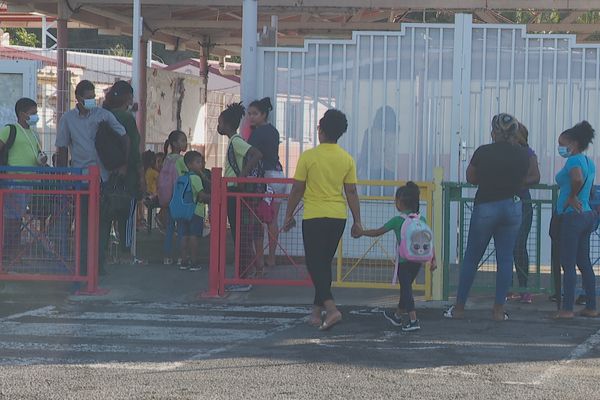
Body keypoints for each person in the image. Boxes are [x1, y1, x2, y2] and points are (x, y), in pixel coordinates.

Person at [444, 113, 529, 321]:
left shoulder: (483, 151)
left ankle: (460, 308)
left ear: (494, 132)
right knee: (506, 258)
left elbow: (471, 177)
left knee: (472, 257)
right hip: (512, 207)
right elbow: (525, 178)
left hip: (486, 206)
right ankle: (499, 311)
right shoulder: (522, 154)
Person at [283, 109, 362, 331]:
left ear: (322, 130)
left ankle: (331, 308)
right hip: (338, 217)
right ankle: (316, 312)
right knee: (323, 265)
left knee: (314, 264)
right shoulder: (347, 159)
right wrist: (358, 220)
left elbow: (297, 189)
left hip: (314, 216)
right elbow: (352, 192)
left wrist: (288, 214)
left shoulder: (309, 157)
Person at [55, 80, 127, 276]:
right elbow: (61, 148)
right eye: (87, 97)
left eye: (93, 96)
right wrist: (63, 177)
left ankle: (98, 265)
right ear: (78, 98)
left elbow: (123, 135)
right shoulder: (68, 119)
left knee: (102, 223)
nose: (91, 100)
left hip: (104, 177)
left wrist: (122, 164)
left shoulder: (104, 115)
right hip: (81, 178)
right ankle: (82, 266)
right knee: (83, 223)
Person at [356, 182, 437, 332]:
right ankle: (397, 316)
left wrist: (362, 232)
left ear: (400, 202)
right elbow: (429, 241)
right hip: (417, 261)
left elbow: (378, 232)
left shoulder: (397, 220)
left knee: (406, 290)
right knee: (405, 289)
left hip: (404, 262)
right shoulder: (421, 219)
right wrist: (433, 259)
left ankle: (413, 320)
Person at [217, 102, 263, 292]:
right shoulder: (233, 141)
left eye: (219, 123)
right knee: (240, 234)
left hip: (235, 192)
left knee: (239, 235)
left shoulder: (236, 141)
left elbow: (256, 154)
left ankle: (243, 277)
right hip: (232, 192)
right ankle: (247, 272)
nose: (218, 127)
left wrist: (243, 174)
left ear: (227, 124)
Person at [554, 121, 597, 319]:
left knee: (568, 263)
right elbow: (588, 185)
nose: (560, 148)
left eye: (562, 143)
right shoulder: (589, 161)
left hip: (572, 217)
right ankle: (591, 306)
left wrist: (571, 197)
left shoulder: (572, 161)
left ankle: (567, 309)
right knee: (584, 262)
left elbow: (577, 180)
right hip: (587, 215)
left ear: (574, 143)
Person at [102, 80, 144, 263]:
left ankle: (103, 254)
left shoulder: (103, 114)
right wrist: (141, 176)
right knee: (126, 216)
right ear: (128, 97)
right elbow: (134, 149)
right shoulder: (126, 118)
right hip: (127, 175)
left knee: (105, 215)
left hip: (106, 172)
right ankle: (126, 254)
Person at [0, 98, 46, 261]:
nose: (36, 116)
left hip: (29, 182)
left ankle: (13, 251)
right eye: (33, 113)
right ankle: (9, 252)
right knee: (12, 218)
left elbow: (36, 154)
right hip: (14, 182)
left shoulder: (33, 133)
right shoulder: (10, 129)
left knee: (18, 217)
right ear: (22, 114)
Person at [247, 97, 286, 268]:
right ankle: (272, 258)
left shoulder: (256, 133)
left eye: (255, 114)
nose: (251, 117)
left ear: (264, 114)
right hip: (279, 175)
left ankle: (260, 259)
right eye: (249, 114)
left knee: (258, 220)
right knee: (273, 220)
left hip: (266, 178)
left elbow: (252, 155)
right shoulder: (274, 131)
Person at [508, 123, 541, 303]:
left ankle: (523, 288)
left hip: (522, 203)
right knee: (505, 245)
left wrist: (517, 182)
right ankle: (507, 287)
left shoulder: (528, 154)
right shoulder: (505, 152)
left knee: (519, 245)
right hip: (505, 201)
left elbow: (535, 176)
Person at [175, 151, 210, 271]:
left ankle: (183, 261)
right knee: (194, 236)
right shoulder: (195, 178)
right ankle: (194, 262)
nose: (201, 165)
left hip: (182, 211)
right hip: (195, 211)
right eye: (198, 162)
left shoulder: (182, 178)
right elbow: (201, 195)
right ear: (189, 164)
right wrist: (212, 197)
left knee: (184, 236)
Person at [158, 130, 188, 265]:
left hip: (168, 199)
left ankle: (167, 256)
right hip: (179, 199)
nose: (185, 143)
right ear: (175, 144)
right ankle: (182, 257)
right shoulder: (181, 160)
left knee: (169, 228)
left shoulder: (166, 159)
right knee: (181, 228)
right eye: (183, 140)